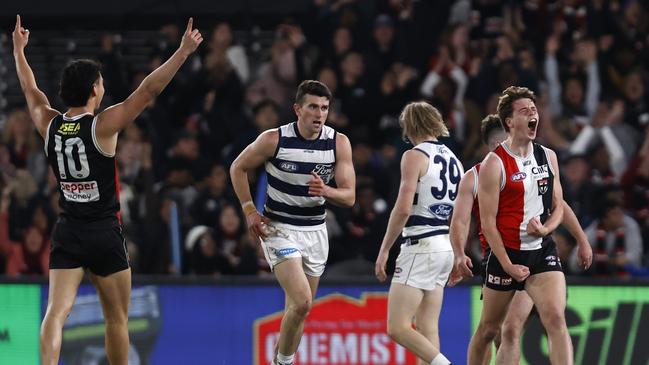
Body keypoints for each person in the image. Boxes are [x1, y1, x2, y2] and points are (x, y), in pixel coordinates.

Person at [12, 15, 202, 365]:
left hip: (68, 230)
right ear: (94, 90)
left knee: (55, 313)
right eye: (99, 83)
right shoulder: (103, 126)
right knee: (116, 319)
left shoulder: (49, 124)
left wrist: (19, 51)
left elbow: (29, 89)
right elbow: (148, 91)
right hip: (104, 232)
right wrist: (183, 53)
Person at [448, 114, 593, 364]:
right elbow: (460, 220)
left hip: (532, 256)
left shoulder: (532, 165)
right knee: (490, 331)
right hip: (497, 258)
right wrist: (459, 253)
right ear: (493, 147)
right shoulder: (474, 177)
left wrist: (582, 239)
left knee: (512, 328)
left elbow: (559, 204)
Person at [230, 80, 355, 365]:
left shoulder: (339, 143)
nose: (319, 114)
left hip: (315, 232)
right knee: (302, 301)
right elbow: (238, 167)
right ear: (297, 109)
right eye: (313, 106)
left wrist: (327, 191)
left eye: (324, 108)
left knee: (299, 311)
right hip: (279, 230)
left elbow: (349, 197)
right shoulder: (274, 139)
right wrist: (250, 210)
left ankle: (279, 360)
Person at [465, 86, 573, 365]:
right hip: (506, 255)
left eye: (534, 110)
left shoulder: (548, 157)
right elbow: (488, 224)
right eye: (525, 111)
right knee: (490, 330)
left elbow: (559, 205)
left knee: (556, 317)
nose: (533, 115)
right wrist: (508, 265)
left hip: (542, 251)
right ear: (510, 122)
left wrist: (547, 229)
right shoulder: (494, 164)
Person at [375, 101, 461, 365]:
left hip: (420, 245)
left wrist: (385, 249)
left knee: (397, 326)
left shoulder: (414, 156)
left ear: (409, 126)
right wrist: (458, 252)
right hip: (444, 244)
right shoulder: (454, 160)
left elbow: (402, 208)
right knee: (427, 328)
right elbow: (461, 214)